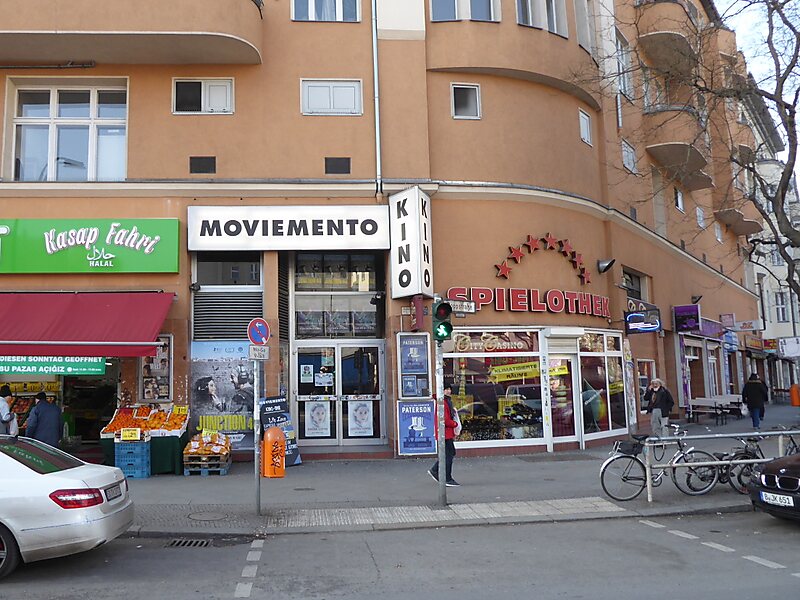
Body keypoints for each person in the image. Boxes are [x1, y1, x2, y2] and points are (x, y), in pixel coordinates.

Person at [428, 384, 461, 487]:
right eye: (446, 389)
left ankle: (436, 470)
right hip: (444, 433)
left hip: (446, 433)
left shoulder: (445, 401)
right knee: (448, 455)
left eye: (449, 389)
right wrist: (455, 424)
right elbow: (444, 419)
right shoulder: (442, 402)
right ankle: (446, 478)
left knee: (449, 453)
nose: (448, 391)